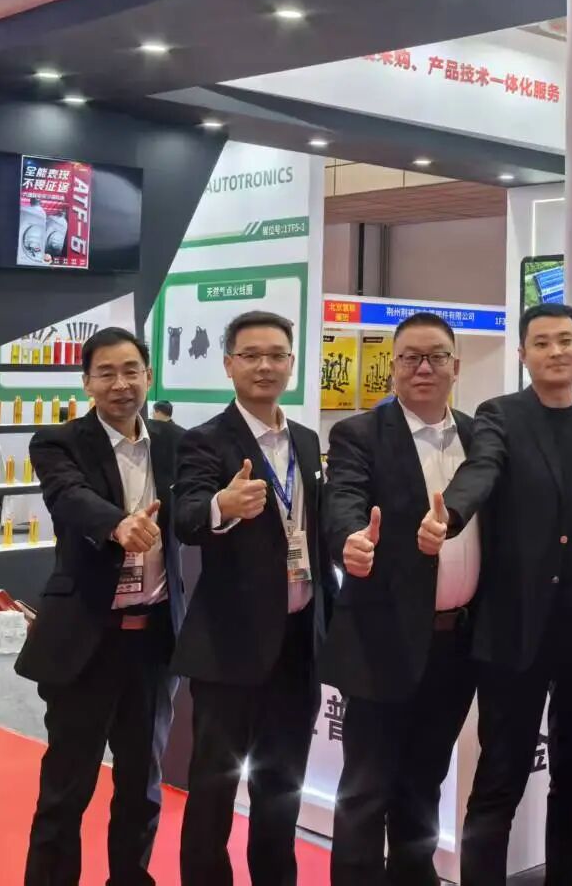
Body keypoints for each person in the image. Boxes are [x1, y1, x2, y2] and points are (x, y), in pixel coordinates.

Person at [418, 301, 572, 886]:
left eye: (565, 340)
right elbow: (482, 469)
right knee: (501, 776)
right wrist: (451, 514)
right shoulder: (502, 415)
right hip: (517, 627)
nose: (555, 351)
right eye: (541, 342)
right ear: (522, 354)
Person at [17, 327, 186, 886]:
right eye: (106, 373)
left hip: (154, 642)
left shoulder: (175, 442)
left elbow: (197, 506)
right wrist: (118, 525)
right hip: (86, 640)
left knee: (142, 786)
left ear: (148, 376)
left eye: (131, 370)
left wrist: (223, 507)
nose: (121, 384)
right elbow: (69, 496)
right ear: (87, 382)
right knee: (67, 788)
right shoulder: (59, 442)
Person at [174, 310, 335, 886]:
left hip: (298, 644)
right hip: (230, 645)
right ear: (228, 365)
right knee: (213, 789)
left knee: (282, 787)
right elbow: (186, 518)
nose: (264, 366)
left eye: (276, 355)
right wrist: (221, 505)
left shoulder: (307, 441)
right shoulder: (205, 440)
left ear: (291, 363)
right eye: (250, 355)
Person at [323, 312, 481, 884]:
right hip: (382, 640)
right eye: (410, 357)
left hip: (458, 642)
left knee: (425, 781)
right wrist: (350, 541)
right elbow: (343, 499)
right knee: (367, 788)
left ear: (455, 366)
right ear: (392, 367)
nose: (423, 368)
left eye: (436, 356)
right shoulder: (359, 434)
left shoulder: (477, 436)